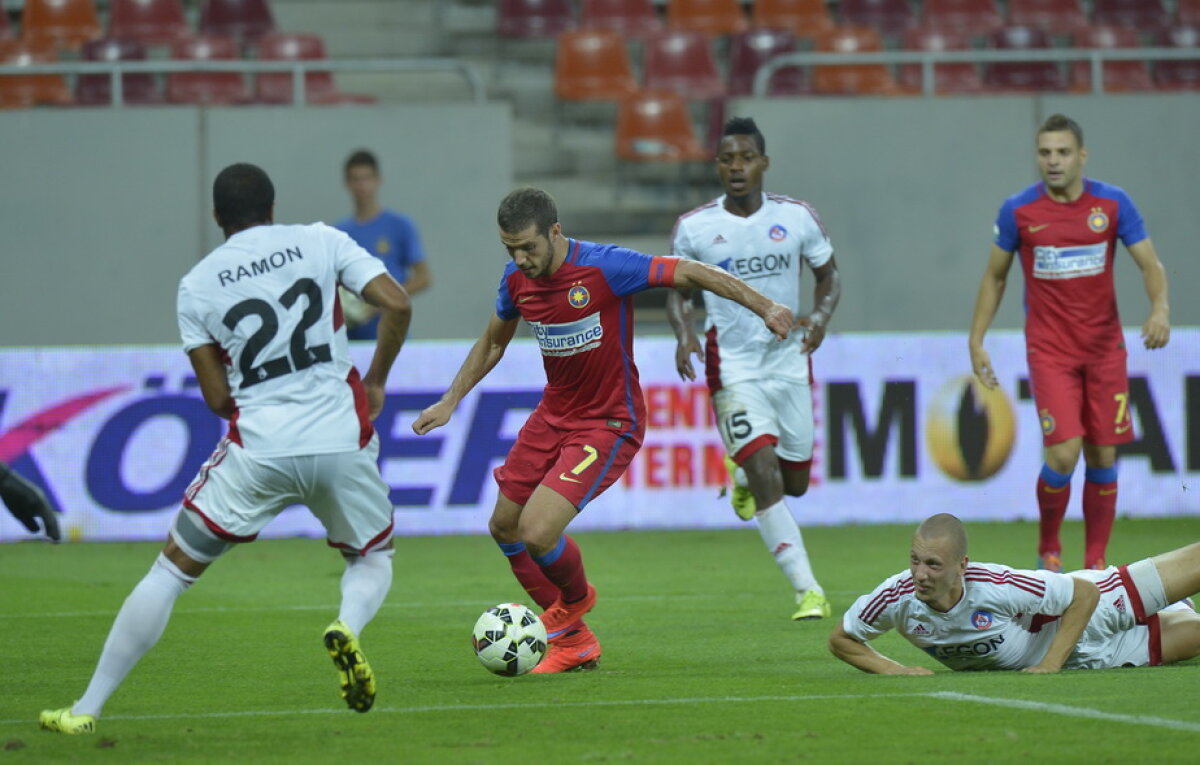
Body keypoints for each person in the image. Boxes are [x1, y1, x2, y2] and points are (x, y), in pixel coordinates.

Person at [39, 163, 412, 735]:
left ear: (217, 217)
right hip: (341, 436)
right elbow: (398, 303)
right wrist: (377, 380)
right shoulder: (320, 239)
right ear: (272, 205)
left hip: (260, 447)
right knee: (372, 556)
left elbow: (217, 397)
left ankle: (86, 709)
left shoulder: (197, 284)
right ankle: (346, 625)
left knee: (170, 572)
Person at [412, 187, 795, 673]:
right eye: (509, 248)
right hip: (553, 415)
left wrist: (764, 306)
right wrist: (451, 399)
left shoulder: (605, 267)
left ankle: (573, 603)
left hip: (609, 421)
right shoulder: (516, 279)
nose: (519, 258)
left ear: (555, 231)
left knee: (536, 530)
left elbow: (689, 270)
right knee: (504, 526)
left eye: (528, 246)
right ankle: (575, 643)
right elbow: (493, 341)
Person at [968, 114, 1170, 573]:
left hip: (1104, 351)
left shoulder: (1113, 204)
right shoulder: (1018, 210)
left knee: (1103, 452)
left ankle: (1097, 561)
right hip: (1050, 350)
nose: (1053, 161)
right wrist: (976, 340)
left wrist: (1159, 309)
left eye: (1062, 152)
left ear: (1081, 155)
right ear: (1037, 156)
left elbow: (1150, 264)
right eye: (1045, 152)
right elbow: (995, 277)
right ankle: (1049, 549)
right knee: (1063, 452)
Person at [666, 116, 841, 621]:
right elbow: (679, 291)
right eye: (727, 159)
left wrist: (821, 318)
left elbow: (828, 275)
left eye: (746, 158)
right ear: (717, 166)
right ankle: (808, 590)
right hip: (734, 367)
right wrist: (685, 334)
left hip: (789, 364)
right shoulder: (695, 228)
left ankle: (740, 474)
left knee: (796, 483)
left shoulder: (798, 217)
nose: (736, 167)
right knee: (767, 475)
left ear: (763, 163)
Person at [829, 513, 1200, 674]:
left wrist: (1050, 664)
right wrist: (896, 670)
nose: (920, 575)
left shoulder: (994, 584)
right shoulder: (897, 597)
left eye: (932, 564)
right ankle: (1179, 610)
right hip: (1090, 657)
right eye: (914, 561)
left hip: (1099, 606)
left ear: (962, 565)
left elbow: (1083, 594)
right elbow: (843, 639)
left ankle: (1173, 601)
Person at [335, 149, 430, 340]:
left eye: (367, 178)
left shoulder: (400, 225)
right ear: (347, 183)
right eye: (355, 179)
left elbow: (423, 277)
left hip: (393, 335)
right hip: (352, 338)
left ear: (378, 180)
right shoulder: (338, 233)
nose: (362, 185)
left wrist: (385, 299)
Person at [0, 461, 61, 541]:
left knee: (29, 516)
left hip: (7, 487)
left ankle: (50, 535)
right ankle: (53, 537)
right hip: (10, 485)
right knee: (40, 506)